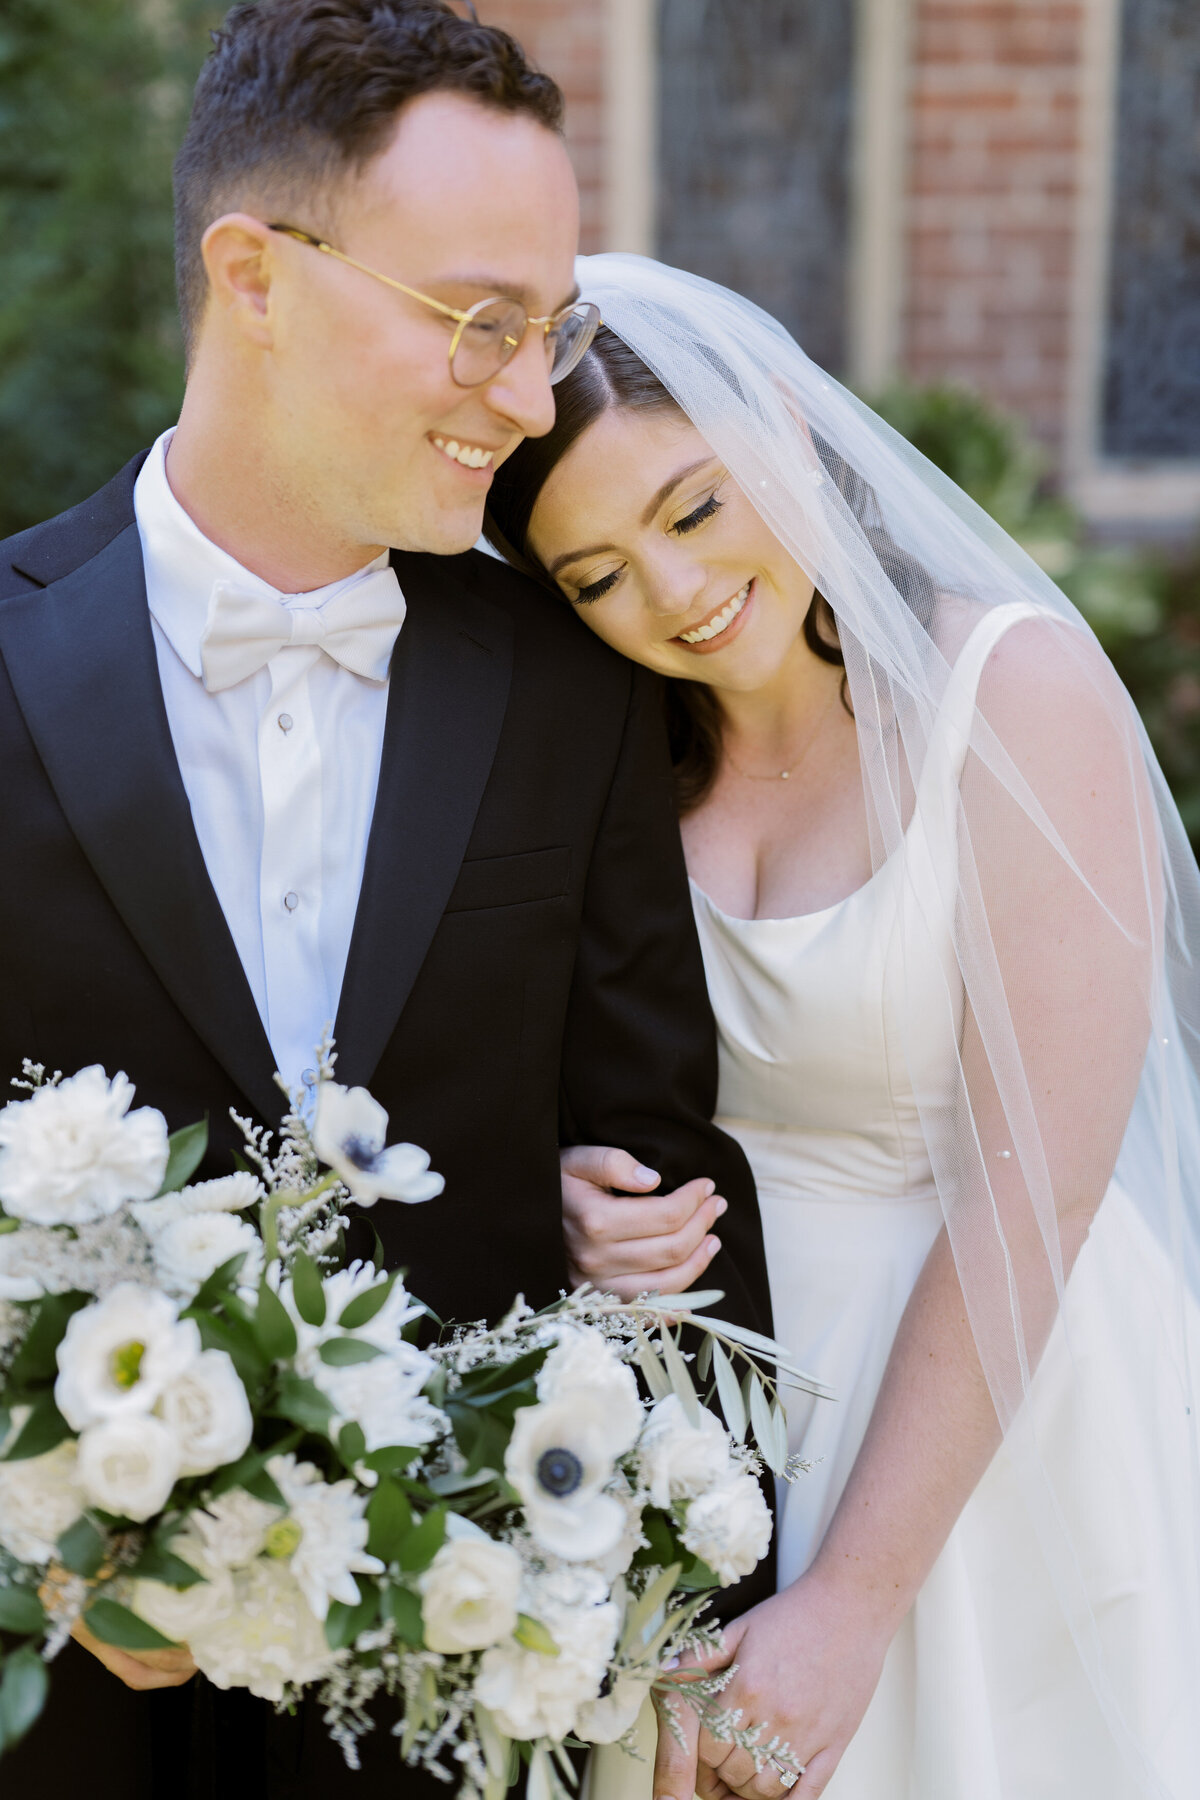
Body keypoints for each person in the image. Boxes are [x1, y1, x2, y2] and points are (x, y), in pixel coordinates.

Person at [0, 15, 774, 1798]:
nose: (526, 395)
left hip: (459, 1722)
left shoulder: (574, 689)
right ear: (254, 276)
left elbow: (665, 1165)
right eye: (479, 321)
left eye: (550, 328)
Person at [485, 254, 1200, 1800]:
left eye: (691, 509)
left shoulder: (1006, 692)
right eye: (597, 575)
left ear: (790, 434)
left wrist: (856, 1600)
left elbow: (1040, 1187)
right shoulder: (612, 769)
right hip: (713, 1429)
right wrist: (561, 1206)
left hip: (986, 1414)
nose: (673, 594)